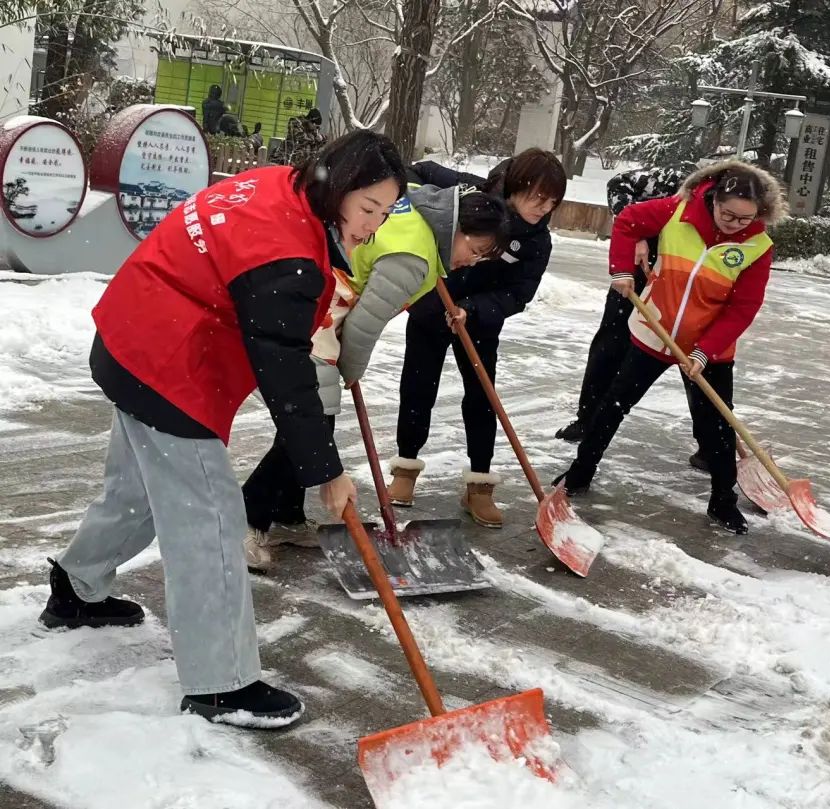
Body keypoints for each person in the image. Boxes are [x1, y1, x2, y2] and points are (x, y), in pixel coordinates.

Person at [37, 130, 407, 727]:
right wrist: (325, 471)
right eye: (368, 209)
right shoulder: (284, 249)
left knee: (136, 493)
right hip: (168, 366)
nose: (373, 226)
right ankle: (221, 683)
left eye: (386, 213)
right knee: (211, 522)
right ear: (336, 187)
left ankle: (76, 588)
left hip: (133, 335)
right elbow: (286, 373)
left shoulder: (278, 186)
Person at [241, 185, 510, 570]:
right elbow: (365, 325)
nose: (473, 261)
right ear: (458, 229)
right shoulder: (414, 258)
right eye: (476, 250)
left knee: (311, 425)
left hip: (316, 286)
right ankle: (247, 520)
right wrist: (347, 371)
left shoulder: (420, 211)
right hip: (321, 307)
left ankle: (287, 513)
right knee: (312, 425)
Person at [553, 160, 786, 535]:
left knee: (718, 427)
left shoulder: (757, 246)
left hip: (707, 347)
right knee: (613, 404)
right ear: (713, 198)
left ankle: (723, 501)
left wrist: (704, 350)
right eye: (728, 214)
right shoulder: (677, 212)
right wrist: (621, 269)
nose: (735, 224)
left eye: (745, 218)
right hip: (655, 329)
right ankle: (580, 472)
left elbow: (742, 308)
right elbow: (629, 220)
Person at [384, 149, 567, 528]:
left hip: (480, 324)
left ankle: (479, 485)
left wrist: (474, 308)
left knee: (483, 398)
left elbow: (519, 294)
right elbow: (416, 171)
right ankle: (405, 470)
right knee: (417, 389)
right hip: (431, 308)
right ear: (517, 186)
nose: (543, 208)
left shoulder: (537, 242)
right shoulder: (468, 195)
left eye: (552, 202)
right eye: (538, 197)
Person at [556, 160, 713, 472]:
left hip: (687, 285)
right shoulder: (676, 179)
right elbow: (618, 184)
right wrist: (639, 235)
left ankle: (711, 444)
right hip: (637, 273)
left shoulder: (740, 219)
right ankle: (588, 418)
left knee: (695, 360)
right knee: (611, 345)